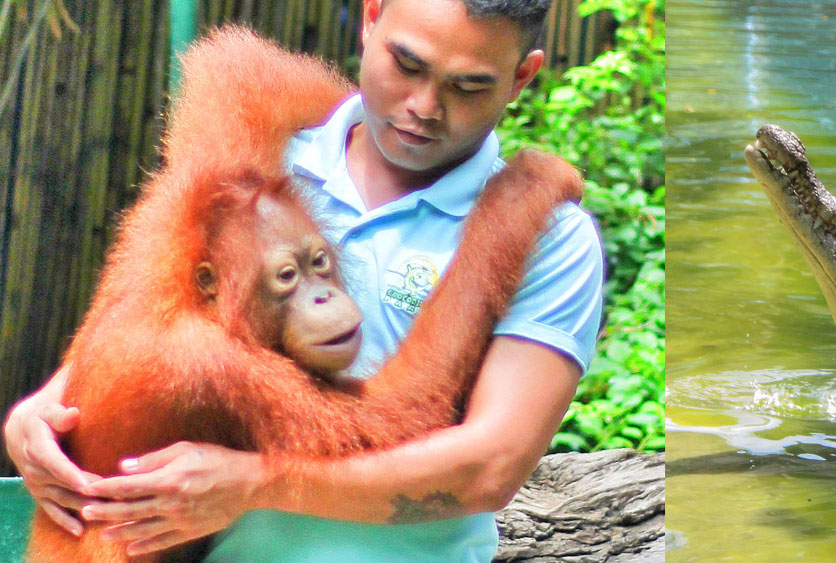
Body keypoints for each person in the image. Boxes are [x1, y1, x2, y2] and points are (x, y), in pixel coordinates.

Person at [1, 0, 604, 560]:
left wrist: (255, 483)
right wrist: (50, 407)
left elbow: (490, 467)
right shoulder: (249, 209)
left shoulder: (557, 241)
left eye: (468, 86)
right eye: (405, 64)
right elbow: (398, 416)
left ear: (523, 77)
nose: (422, 107)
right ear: (371, 19)